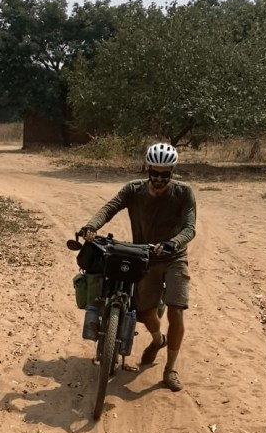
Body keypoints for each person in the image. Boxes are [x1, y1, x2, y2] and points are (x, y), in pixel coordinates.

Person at [79, 142, 196, 392]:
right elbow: (110, 207)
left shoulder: (184, 193)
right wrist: (92, 226)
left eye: (165, 175)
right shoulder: (133, 190)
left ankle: (170, 370)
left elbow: (189, 228)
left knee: (177, 310)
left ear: (172, 172)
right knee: (143, 313)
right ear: (147, 170)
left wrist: (172, 244)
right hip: (143, 256)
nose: (158, 179)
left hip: (173, 257)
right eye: (154, 173)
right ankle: (157, 340)